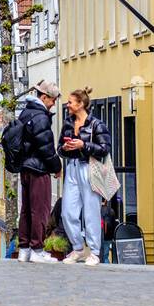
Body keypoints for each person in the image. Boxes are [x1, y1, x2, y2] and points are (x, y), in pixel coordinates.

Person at [58, 87, 110, 265]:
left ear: (80, 104)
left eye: (70, 102)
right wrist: (64, 149)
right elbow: (59, 147)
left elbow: (104, 149)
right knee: (67, 212)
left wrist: (83, 145)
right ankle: (78, 248)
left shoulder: (96, 124)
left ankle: (94, 251)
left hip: (89, 167)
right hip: (72, 168)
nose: (67, 105)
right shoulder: (67, 123)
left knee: (91, 211)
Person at [16, 80, 63, 263]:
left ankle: (24, 249)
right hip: (38, 169)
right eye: (52, 100)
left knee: (26, 210)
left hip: (25, 167)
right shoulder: (40, 117)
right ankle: (37, 249)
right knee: (40, 210)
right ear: (44, 97)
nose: (53, 104)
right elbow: (46, 147)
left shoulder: (25, 112)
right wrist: (57, 167)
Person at [100, 191, 121, 263]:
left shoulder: (97, 210)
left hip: (99, 235)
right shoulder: (111, 211)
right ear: (106, 200)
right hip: (108, 236)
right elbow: (113, 224)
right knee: (105, 255)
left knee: (99, 255)